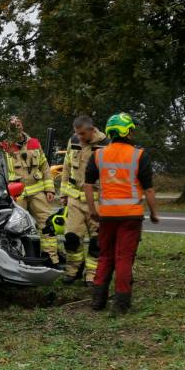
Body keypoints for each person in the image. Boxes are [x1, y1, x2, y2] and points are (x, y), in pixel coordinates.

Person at [84, 113, 159, 314]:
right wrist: (153, 213)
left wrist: (93, 210)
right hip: (131, 216)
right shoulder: (139, 155)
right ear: (127, 131)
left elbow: (88, 185)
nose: (133, 132)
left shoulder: (98, 155)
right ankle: (121, 304)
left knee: (105, 256)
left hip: (107, 215)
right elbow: (149, 189)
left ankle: (97, 301)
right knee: (123, 257)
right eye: (132, 129)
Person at [1, 115, 59, 266]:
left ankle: (50, 259)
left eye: (18, 123)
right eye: (12, 125)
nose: (17, 127)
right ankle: (19, 262)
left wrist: (49, 189)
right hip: (16, 195)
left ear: (22, 125)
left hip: (38, 193)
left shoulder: (34, 143)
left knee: (47, 226)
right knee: (14, 228)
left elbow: (45, 167)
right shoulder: (4, 147)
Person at [59, 116, 108, 285]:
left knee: (97, 241)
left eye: (82, 133)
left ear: (91, 129)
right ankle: (74, 270)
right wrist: (63, 193)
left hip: (97, 201)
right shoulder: (73, 141)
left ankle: (92, 274)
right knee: (71, 237)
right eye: (76, 133)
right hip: (74, 199)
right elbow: (66, 167)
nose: (79, 137)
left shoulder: (106, 144)